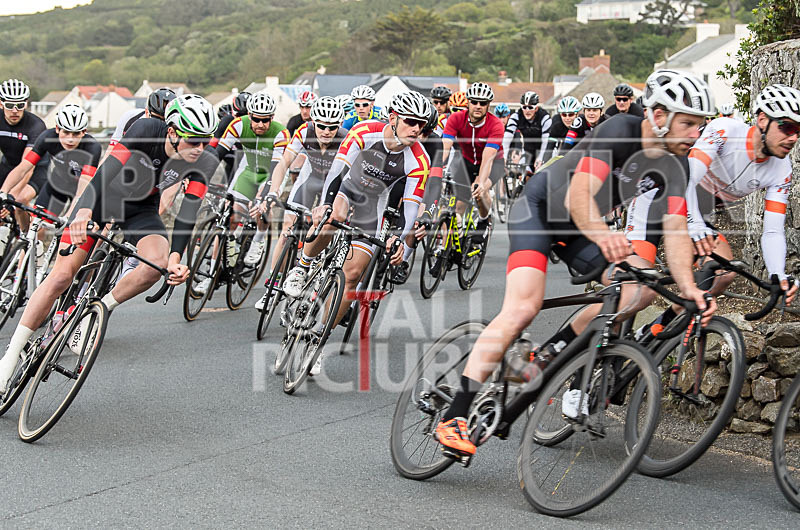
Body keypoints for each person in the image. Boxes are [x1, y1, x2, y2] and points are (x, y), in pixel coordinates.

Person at [433, 69, 717, 457]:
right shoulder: (621, 131)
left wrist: (688, 289)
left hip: (582, 229)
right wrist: (605, 236)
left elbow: (676, 229)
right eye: (687, 123)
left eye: (700, 126)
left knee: (639, 290)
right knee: (523, 307)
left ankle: (548, 354)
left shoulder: (676, 166)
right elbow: (580, 195)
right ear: (658, 115)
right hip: (540, 209)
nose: (694, 134)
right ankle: (455, 414)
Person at [0, 95, 220, 392]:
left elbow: (187, 216)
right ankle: (11, 356)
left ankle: (97, 311)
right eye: (193, 141)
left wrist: (176, 259)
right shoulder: (146, 130)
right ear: (171, 131)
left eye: (205, 141)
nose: (200, 149)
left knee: (155, 264)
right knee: (62, 276)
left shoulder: (204, 161)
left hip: (141, 209)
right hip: (105, 198)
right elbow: (105, 174)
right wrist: (83, 212)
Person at [281, 91, 432, 375]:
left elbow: (411, 208)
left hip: (373, 207)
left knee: (353, 276)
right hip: (347, 191)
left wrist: (402, 242)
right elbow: (337, 172)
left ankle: (318, 340)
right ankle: (302, 267)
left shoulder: (419, 159)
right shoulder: (365, 132)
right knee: (333, 215)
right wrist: (325, 204)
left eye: (421, 125)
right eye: (411, 122)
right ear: (393, 118)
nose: (417, 129)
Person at [251, 96, 347, 309]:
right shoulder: (304, 131)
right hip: (309, 179)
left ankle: (313, 270)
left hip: (332, 183)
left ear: (339, 125)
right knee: (287, 228)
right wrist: (273, 192)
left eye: (332, 127)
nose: (326, 131)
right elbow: (284, 162)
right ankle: (271, 288)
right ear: (314, 122)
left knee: (322, 227)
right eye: (321, 125)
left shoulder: (346, 139)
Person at [201, 92, 290, 289]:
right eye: (256, 119)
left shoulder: (280, 133)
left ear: (272, 118)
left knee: (261, 207)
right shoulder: (237, 125)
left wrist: (264, 196)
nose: (260, 124)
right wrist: (202, 178)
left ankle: (258, 239)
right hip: (248, 170)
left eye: (265, 120)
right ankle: (211, 275)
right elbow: (218, 153)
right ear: (249, 115)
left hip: (271, 173)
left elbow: (276, 170)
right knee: (229, 216)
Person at [0, 105, 100, 231]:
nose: (70, 139)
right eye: (66, 132)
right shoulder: (46, 137)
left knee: (69, 229)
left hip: (81, 190)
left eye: (76, 134)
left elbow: (81, 190)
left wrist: (68, 216)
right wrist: (3, 192)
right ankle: (27, 244)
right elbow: (23, 167)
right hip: (58, 184)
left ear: (84, 132)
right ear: (57, 129)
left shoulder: (92, 148)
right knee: (35, 226)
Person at [441, 82, 505, 243]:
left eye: (482, 103)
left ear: (488, 105)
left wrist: (481, 182)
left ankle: (484, 219)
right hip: (467, 161)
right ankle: (455, 238)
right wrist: (434, 169)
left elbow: (488, 156)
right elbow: (445, 147)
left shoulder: (495, 124)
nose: (478, 106)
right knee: (459, 201)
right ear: (468, 102)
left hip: (493, 164)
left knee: (480, 192)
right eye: (474, 102)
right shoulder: (455, 119)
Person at [502, 91, 551, 171]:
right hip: (528, 151)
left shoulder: (544, 118)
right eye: (524, 107)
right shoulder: (516, 116)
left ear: (536, 108)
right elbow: (507, 137)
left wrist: (540, 158)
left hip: (543, 150)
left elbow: (546, 141)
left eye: (530, 107)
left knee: (541, 175)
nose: (527, 110)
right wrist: (504, 156)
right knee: (523, 176)